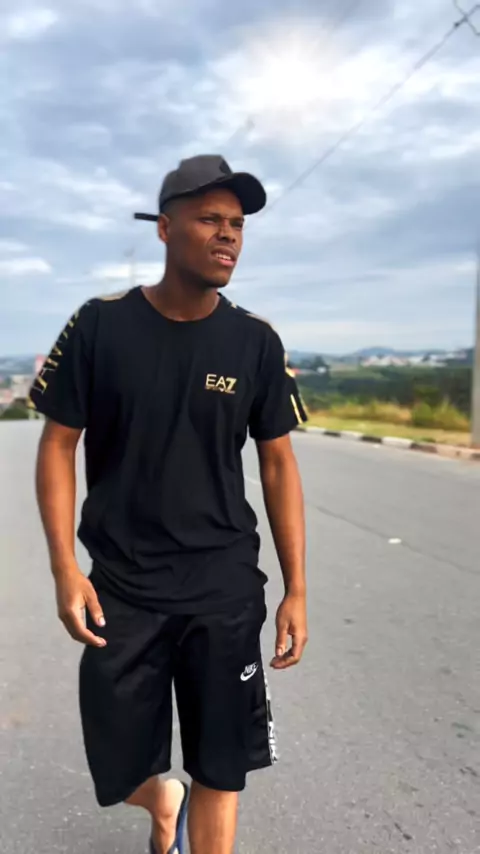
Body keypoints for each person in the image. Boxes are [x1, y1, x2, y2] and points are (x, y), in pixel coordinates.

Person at [30, 154, 307, 854]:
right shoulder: (99, 326)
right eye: (210, 219)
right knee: (119, 763)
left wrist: (297, 589)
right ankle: (161, 799)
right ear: (164, 228)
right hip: (122, 587)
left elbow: (278, 463)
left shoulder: (255, 342)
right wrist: (65, 568)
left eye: (237, 224)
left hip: (223, 587)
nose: (228, 235)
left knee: (222, 767)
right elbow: (58, 445)